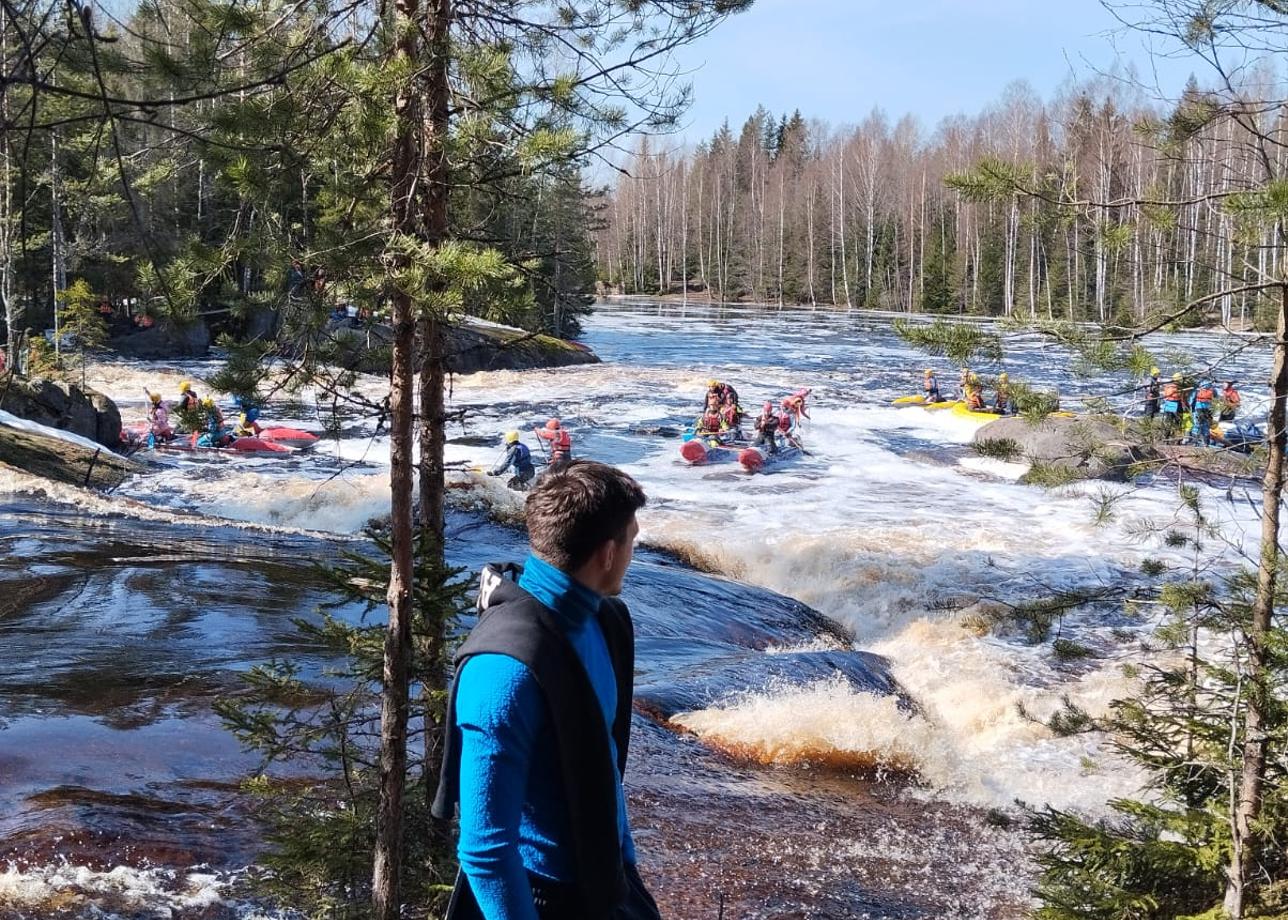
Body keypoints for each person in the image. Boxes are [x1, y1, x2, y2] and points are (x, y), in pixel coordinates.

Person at [433, 461, 659, 920]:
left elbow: (606, 764)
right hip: (542, 901)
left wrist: (627, 864)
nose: (634, 550)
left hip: (609, 882)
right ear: (608, 554)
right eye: (632, 539)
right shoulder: (503, 671)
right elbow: (485, 852)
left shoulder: (606, 621)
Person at [1190, 379, 1217, 446]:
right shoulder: (1213, 390)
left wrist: (1192, 410)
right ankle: (1206, 443)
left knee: (1197, 426)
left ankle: (1194, 442)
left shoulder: (1197, 390)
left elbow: (1192, 402)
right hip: (1208, 410)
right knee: (1206, 426)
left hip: (1199, 409)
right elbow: (1216, 399)